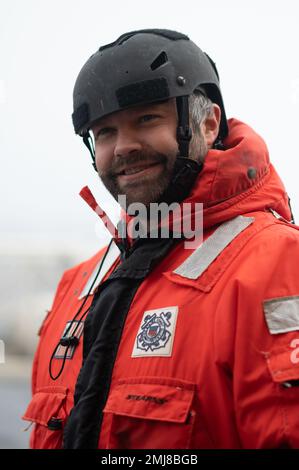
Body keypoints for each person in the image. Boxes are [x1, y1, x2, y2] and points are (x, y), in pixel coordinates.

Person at [23, 29, 299, 449]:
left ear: (207, 125)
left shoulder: (279, 265)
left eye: (146, 119)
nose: (122, 147)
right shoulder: (76, 288)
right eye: (105, 133)